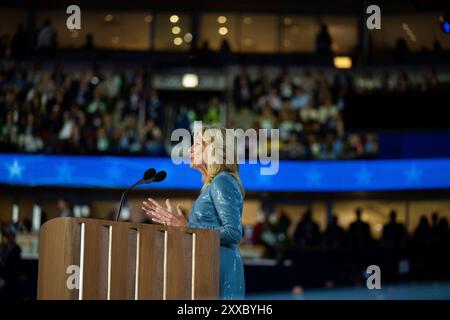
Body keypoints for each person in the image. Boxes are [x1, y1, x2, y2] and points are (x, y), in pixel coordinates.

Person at [142, 124, 245, 299]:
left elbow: (234, 232)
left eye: (196, 144)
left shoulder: (222, 181)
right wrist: (182, 228)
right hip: (209, 265)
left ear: (213, 149)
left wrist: (187, 227)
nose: (189, 149)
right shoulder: (212, 185)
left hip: (221, 269)